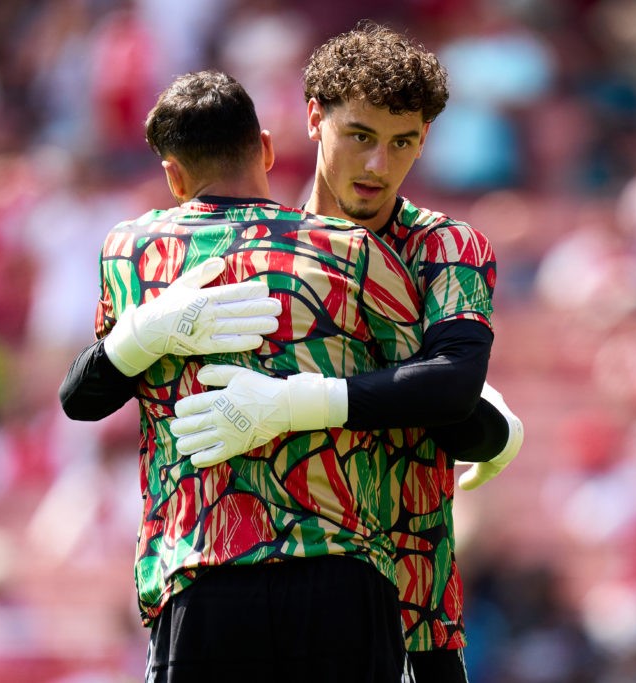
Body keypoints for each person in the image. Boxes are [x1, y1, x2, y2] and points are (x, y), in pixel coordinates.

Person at [169, 22, 524, 683]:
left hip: (413, 609)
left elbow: (449, 383)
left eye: (402, 143)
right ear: (313, 118)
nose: (377, 166)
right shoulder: (249, 252)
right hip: (252, 589)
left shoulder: (445, 247)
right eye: (360, 136)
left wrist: (291, 400)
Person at [61, 69, 425, 682]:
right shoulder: (351, 249)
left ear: (173, 175)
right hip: (341, 574)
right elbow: (427, 388)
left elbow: (84, 398)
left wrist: (144, 333)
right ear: (264, 147)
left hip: (202, 571)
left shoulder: (133, 252)